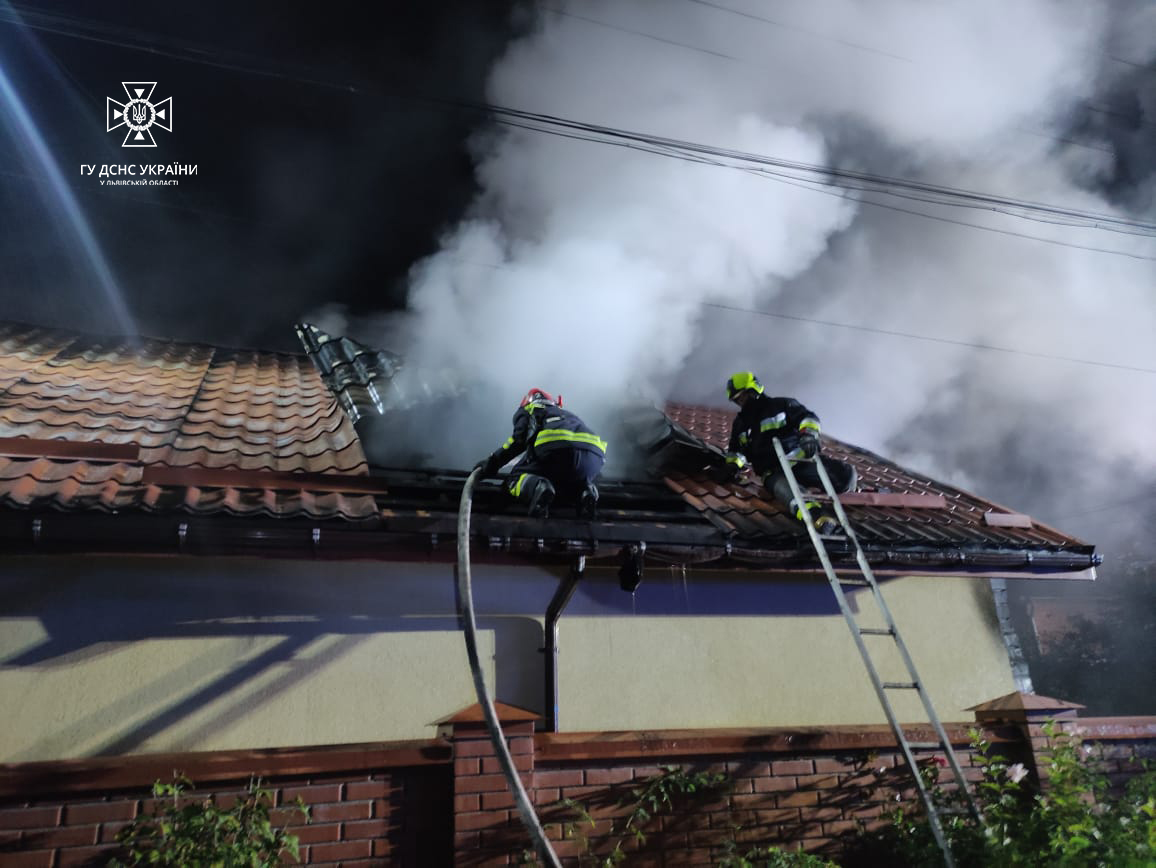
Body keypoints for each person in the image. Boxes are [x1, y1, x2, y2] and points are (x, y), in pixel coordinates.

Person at [722, 372, 857, 535]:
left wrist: (809, 436)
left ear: (753, 390)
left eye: (742, 397)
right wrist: (732, 466)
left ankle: (848, 500)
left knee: (845, 475)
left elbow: (807, 418)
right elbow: (736, 451)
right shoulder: (741, 424)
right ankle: (818, 518)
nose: (740, 402)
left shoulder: (782, 405)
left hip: (799, 461)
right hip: (772, 473)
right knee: (789, 494)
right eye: (737, 400)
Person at [474, 388, 606, 519]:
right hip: (594, 455)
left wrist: (492, 463)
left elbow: (517, 441)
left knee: (514, 478)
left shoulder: (530, 409)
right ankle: (586, 492)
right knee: (573, 481)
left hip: (556, 449)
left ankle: (539, 487)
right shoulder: (568, 414)